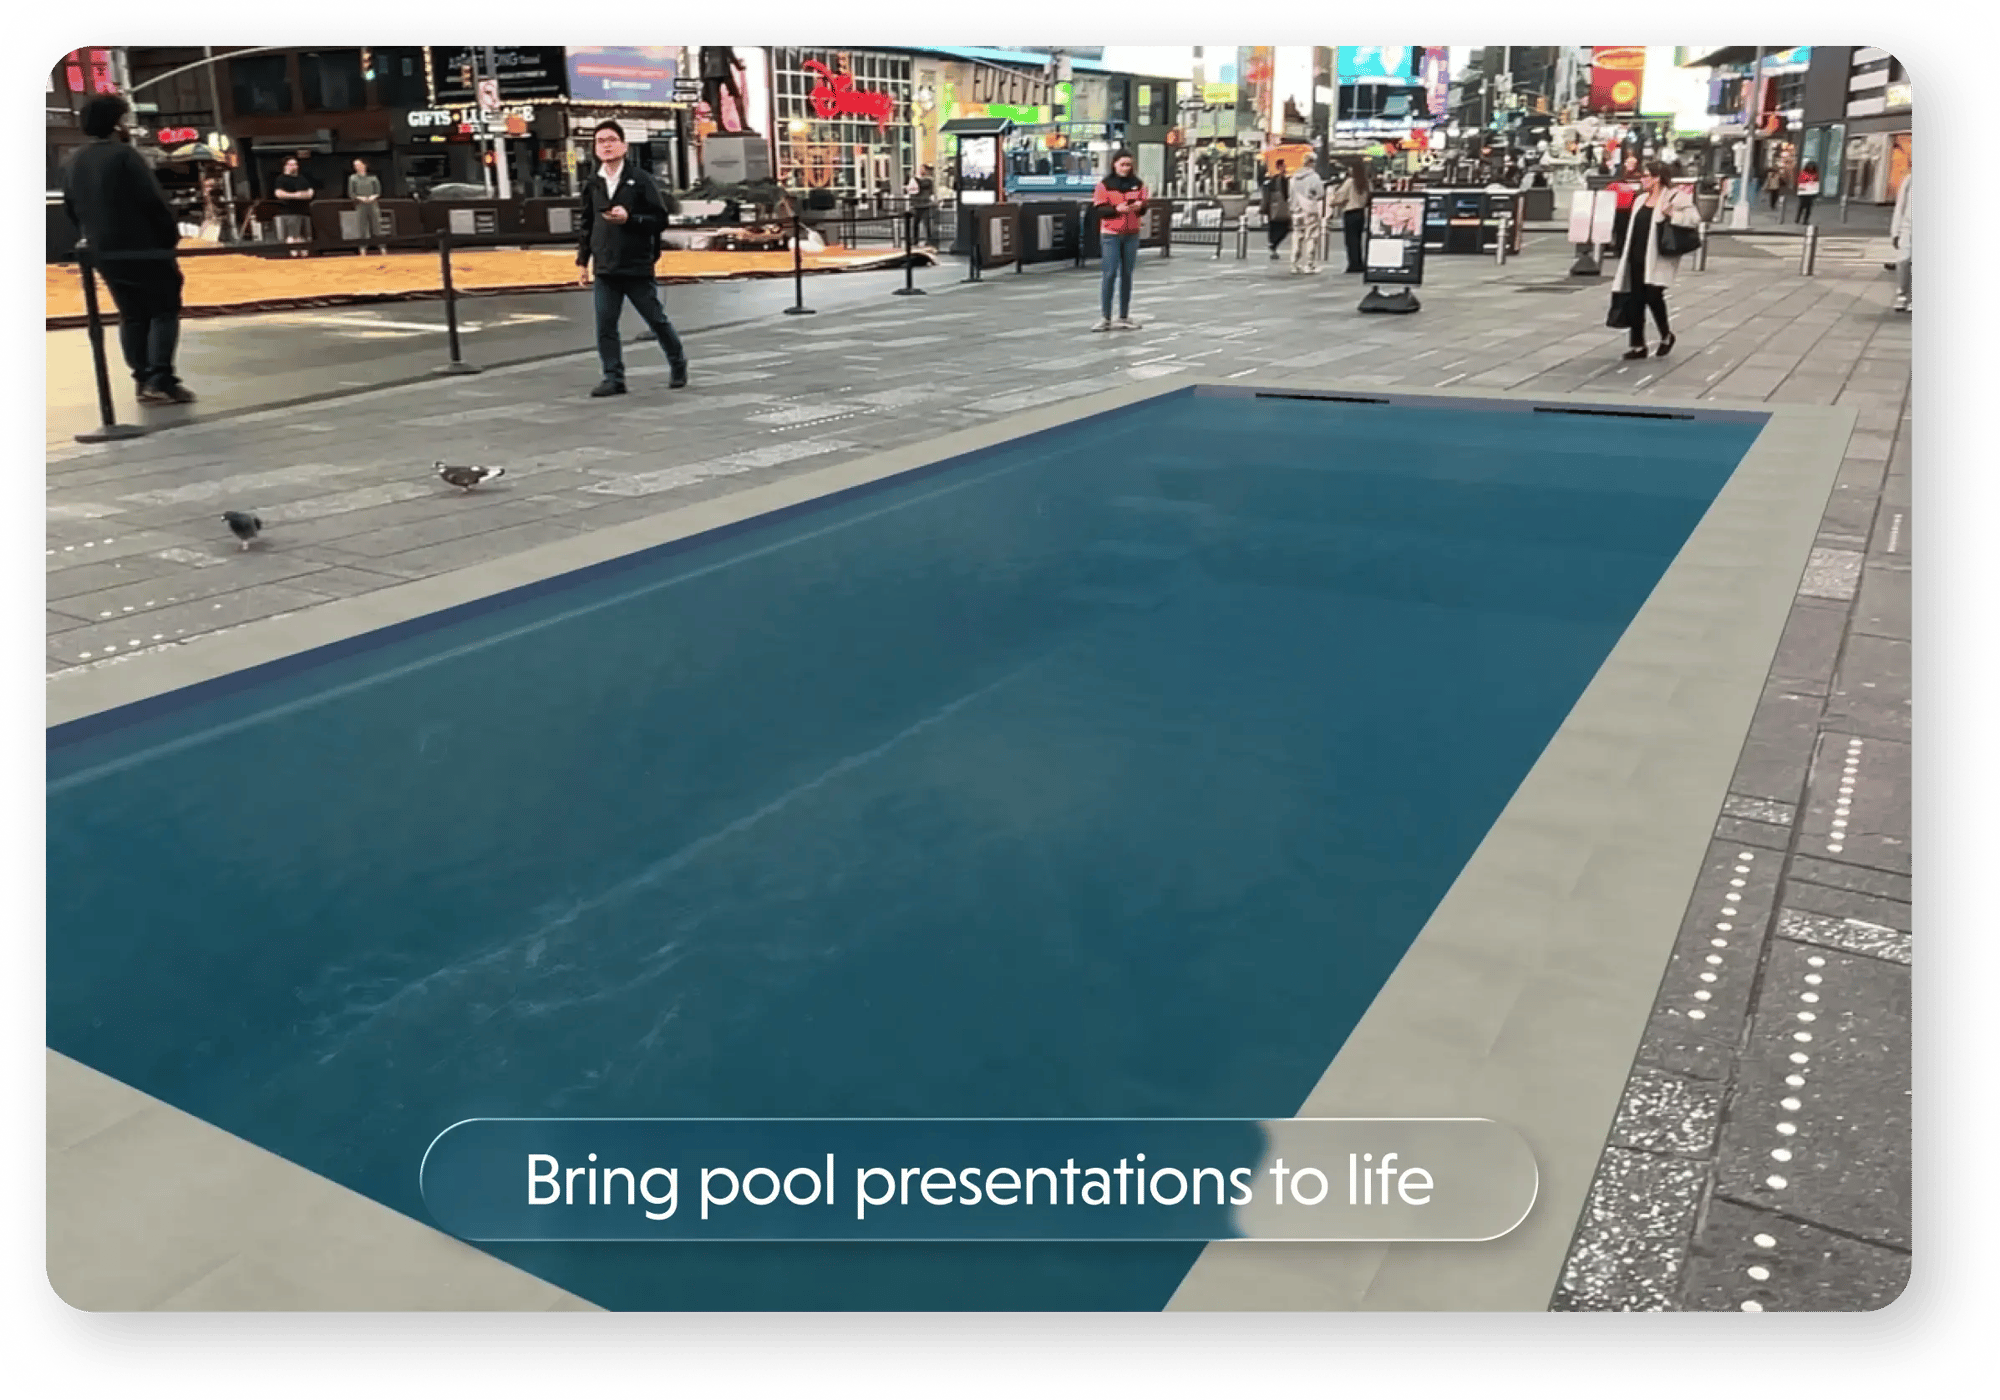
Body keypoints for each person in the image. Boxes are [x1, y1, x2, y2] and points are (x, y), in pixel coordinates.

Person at [60, 94, 195, 406]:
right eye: (126, 118)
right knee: (163, 310)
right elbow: (153, 202)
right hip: (144, 247)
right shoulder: (125, 156)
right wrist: (168, 238)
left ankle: (142, 378)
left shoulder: (72, 161)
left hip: (103, 251)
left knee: (131, 314)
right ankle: (161, 378)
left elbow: (71, 210)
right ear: (116, 122)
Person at [575, 120, 688, 396]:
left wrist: (631, 219)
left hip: (636, 264)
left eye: (612, 139)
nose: (606, 145)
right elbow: (587, 223)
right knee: (605, 324)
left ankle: (677, 363)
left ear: (624, 146)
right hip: (606, 266)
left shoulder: (640, 179)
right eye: (600, 141)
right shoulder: (593, 183)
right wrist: (582, 261)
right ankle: (613, 377)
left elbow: (659, 219)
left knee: (655, 319)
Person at [1610, 160, 1700, 360]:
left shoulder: (1675, 197)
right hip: (1636, 256)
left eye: (1646, 176)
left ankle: (1666, 335)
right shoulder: (1641, 199)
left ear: (1658, 178)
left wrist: (1672, 214)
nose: (1642, 180)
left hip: (1657, 257)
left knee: (1653, 296)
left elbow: (1694, 219)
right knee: (1635, 300)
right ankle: (1637, 345)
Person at [1090, 149, 1147, 331]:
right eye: (1122, 164)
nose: (1125, 168)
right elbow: (1099, 209)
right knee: (1110, 273)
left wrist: (1139, 207)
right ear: (1114, 164)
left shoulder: (1138, 184)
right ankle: (1105, 317)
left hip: (1131, 233)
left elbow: (1144, 205)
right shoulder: (1104, 185)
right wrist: (1116, 209)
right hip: (1111, 234)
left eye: (1128, 165)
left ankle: (1124, 315)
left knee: (1127, 274)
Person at [1328, 158, 1371, 274]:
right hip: (1361, 213)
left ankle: (1353, 264)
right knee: (1358, 239)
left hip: (1350, 213)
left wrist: (1334, 202)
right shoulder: (1366, 182)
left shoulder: (1350, 182)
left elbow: (1340, 196)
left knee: (1350, 240)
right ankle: (1360, 263)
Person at [1288, 158, 1326, 274]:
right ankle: (1309, 264)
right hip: (1309, 210)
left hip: (1296, 210)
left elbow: (1290, 194)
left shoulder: (1293, 178)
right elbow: (1320, 193)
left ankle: (1294, 263)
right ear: (1311, 163)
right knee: (1311, 237)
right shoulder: (1314, 177)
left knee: (1297, 236)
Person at [273, 156, 314, 257]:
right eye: (291, 165)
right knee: (293, 235)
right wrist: (296, 195)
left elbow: (310, 193)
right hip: (289, 212)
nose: (294, 167)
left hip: (305, 212)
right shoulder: (281, 179)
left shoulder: (302, 178)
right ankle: (293, 255)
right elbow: (279, 193)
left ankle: (304, 254)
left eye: (295, 164)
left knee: (305, 235)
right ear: (285, 166)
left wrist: (302, 195)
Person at [346, 158, 389, 256]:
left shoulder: (373, 177)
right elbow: (351, 193)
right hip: (360, 205)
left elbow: (378, 191)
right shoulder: (352, 178)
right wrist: (360, 198)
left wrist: (373, 196)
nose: (357, 167)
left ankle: (382, 248)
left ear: (364, 165)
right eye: (355, 165)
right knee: (362, 227)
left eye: (358, 164)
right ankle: (363, 249)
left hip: (373, 204)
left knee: (377, 226)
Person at [700, 46, 748, 133]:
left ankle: (719, 126)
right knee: (736, 95)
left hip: (710, 71)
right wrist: (738, 66)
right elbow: (729, 52)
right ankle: (743, 124)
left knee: (715, 101)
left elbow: (701, 56)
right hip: (723, 69)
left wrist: (702, 75)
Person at [1889, 171, 1912, 313]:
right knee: (1903, 261)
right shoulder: (1909, 180)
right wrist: (1895, 231)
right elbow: (1900, 206)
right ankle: (1902, 294)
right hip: (1907, 227)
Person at [1264, 160, 1291, 259]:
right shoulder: (1274, 180)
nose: (1285, 168)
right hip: (1275, 210)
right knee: (1274, 229)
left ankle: (1273, 245)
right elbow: (1267, 196)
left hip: (1281, 210)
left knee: (1285, 228)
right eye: (1283, 166)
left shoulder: (1286, 180)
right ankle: (1273, 247)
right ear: (1279, 167)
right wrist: (1264, 209)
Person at [904, 164, 935, 245]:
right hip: (916, 205)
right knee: (915, 224)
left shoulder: (928, 180)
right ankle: (915, 240)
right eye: (920, 169)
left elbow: (921, 185)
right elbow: (913, 191)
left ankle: (929, 240)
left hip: (925, 205)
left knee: (927, 224)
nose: (921, 171)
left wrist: (914, 179)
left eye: (922, 169)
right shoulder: (916, 180)